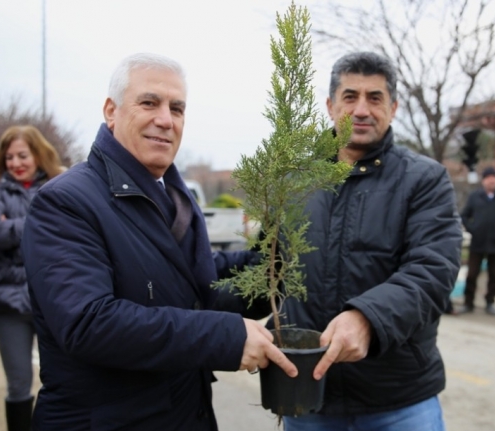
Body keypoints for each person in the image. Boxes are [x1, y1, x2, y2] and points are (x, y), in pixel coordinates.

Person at [21, 53, 297, 431]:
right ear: (111, 111)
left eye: (177, 108)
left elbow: (196, 286)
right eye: (149, 102)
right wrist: (226, 337)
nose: (165, 120)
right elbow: (89, 323)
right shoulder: (66, 202)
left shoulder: (175, 197)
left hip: (184, 413)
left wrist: (273, 263)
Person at [272, 52, 462, 430]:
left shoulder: (425, 180)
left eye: (374, 98)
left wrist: (367, 319)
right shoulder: (295, 182)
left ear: (393, 107)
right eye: (350, 96)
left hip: (399, 401)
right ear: (330, 106)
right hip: (309, 399)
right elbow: (270, 270)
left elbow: (433, 271)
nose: (361, 109)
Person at [0, 125, 64, 431]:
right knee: (18, 384)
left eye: (22, 155)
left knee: (61, 379)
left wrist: (13, 225)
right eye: (9, 157)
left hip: (52, 299)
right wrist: (41, 225)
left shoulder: (60, 182)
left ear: (39, 154)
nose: (15, 163)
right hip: (7, 303)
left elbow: (70, 232)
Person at [459, 166, 495, 315]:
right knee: (472, 274)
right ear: (484, 180)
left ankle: (490, 302)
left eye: (494, 178)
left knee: (494, 275)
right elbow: (464, 215)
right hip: (478, 242)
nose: (491, 181)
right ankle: (468, 302)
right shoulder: (475, 197)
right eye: (488, 178)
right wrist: (472, 228)